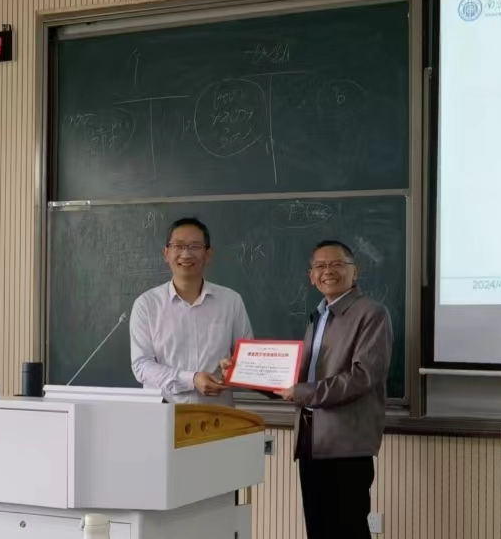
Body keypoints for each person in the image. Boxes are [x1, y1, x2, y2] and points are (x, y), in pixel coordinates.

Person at [281, 240, 393, 539]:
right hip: (310, 439)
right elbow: (299, 378)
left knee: (348, 530)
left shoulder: (371, 313)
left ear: (355, 272)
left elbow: (362, 377)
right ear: (311, 276)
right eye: (320, 266)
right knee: (319, 530)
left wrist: (303, 393)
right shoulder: (318, 316)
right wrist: (247, 373)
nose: (328, 271)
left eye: (337, 264)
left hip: (345, 443)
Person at [129, 217, 254, 405]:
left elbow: (247, 360)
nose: (186, 254)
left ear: (208, 254)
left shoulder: (231, 301)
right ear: (166, 253)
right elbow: (142, 366)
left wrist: (233, 368)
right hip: (165, 413)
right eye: (178, 246)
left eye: (195, 246)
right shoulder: (146, 304)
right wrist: (191, 379)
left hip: (217, 414)